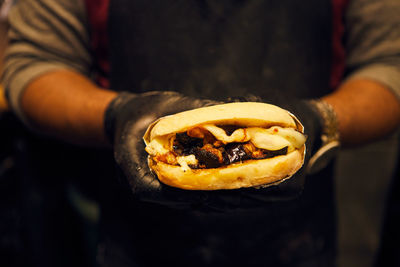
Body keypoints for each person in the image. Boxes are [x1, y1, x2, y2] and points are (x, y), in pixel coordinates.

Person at [2, 0, 400, 266]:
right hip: (137, 235)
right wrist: (117, 116)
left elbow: (389, 65)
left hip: (295, 238)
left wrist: (320, 119)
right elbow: (36, 64)